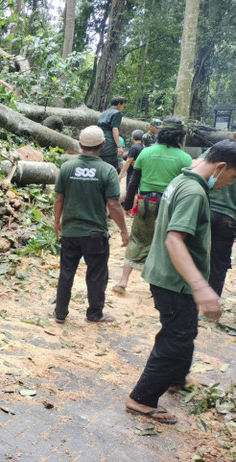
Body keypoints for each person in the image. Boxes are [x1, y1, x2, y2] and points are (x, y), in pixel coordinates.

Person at [125, 139, 236, 424]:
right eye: (232, 177)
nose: (228, 184)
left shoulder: (181, 179)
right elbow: (175, 238)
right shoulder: (195, 192)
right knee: (176, 338)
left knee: (184, 332)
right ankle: (142, 398)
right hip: (175, 280)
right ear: (221, 167)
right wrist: (201, 286)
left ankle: (175, 379)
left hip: (165, 273)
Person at [53, 126, 129, 324]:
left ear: (80, 145)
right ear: (103, 145)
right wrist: (123, 230)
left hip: (70, 232)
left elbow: (59, 199)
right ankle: (94, 314)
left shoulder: (67, 168)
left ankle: (60, 313)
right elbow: (113, 205)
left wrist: (56, 222)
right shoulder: (107, 170)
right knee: (96, 275)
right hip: (95, 234)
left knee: (66, 272)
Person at [113, 118, 192, 293]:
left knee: (138, 240)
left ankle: (123, 281)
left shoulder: (146, 153)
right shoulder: (185, 158)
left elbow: (134, 181)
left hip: (145, 203)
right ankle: (157, 286)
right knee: (166, 242)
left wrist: (127, 205)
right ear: (180, 136)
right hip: (170, 205)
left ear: (161, 133)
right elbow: (187, 187)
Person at [205, 132, 236, 296]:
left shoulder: (216, 151)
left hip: (204, 210)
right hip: (228, 218)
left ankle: (190, 295)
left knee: (195, 252)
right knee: (219, 262)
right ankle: (212, 298)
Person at [97, 96, 127, 172]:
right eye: (123, 105)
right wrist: (119, 146)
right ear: (119, 104)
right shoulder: (117, 113)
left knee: (101, 167)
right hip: (109, 144)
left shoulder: (104, 113)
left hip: (99, 142)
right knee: (113, 169)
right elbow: (115, 129)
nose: (123, 107)